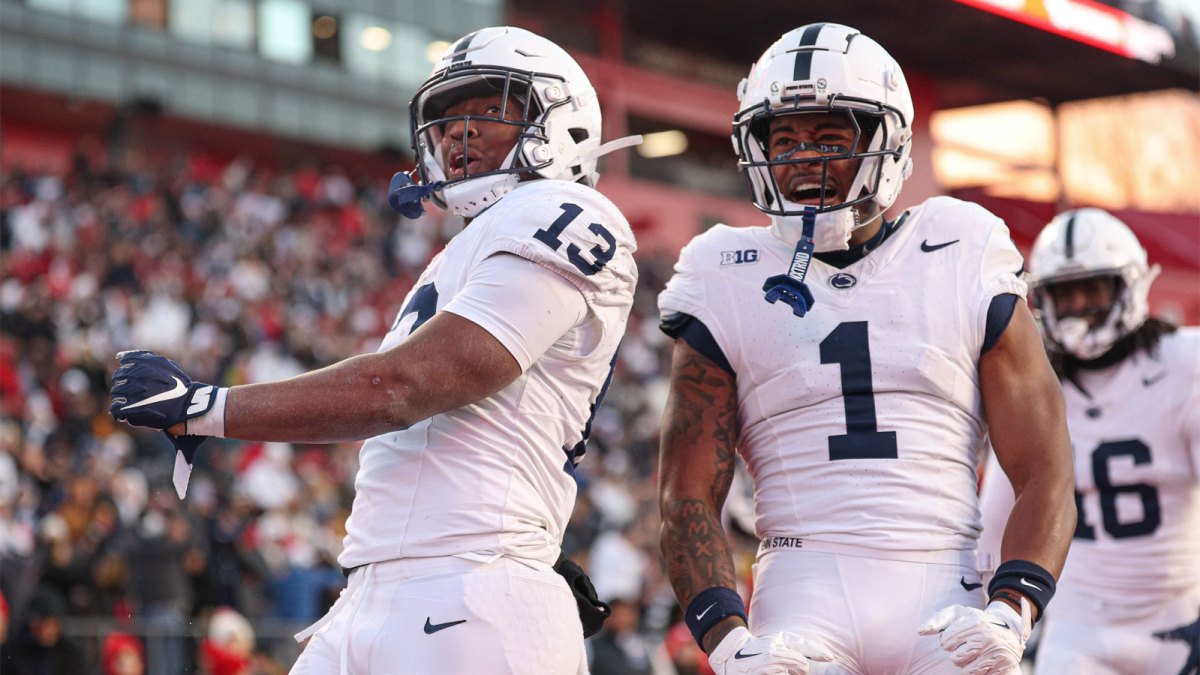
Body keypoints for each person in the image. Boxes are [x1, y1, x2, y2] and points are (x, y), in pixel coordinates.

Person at [109, 25, 640, 674]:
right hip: (382, 583)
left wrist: (208, 407)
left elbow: (403, 387)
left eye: (488, 106)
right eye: (446, 118)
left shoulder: (569, 208)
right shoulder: (463, 249)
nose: (459, 131)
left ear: (562, 123)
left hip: (469, 579)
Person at [656, 23, 1076, 675]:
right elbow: (686, 494)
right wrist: (729, 641)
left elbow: (1046, 466)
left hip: (946, 591)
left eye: (829, 138)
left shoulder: (960, 244)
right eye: (783, 140)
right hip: (800, 594)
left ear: (888, 141)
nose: (802, 159)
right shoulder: (722, 268)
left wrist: (1012, 609)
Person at [977, 208, 1200, 674]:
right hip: (1079, 627)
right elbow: (994, 521)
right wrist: (992, 613)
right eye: (1064, 291)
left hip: (1179, 614)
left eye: (1092, 288)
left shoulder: (1185, 363)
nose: (1078, 304)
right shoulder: (1036, 382)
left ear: (1128, 285)